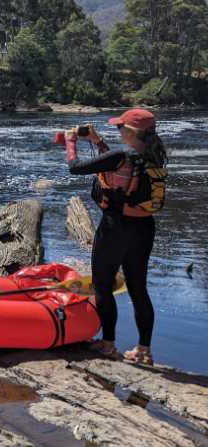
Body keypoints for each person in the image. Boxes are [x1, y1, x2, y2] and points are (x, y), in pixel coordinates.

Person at [64, 108, 168, 365]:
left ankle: (108, 344)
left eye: (121, 127)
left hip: (115, 226)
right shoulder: (154, 154)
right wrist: (98, 142)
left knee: (102, 285)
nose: (118, 130)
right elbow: (118, 167)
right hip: (143, 227)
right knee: (138, 288)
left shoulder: (122, 155)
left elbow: (75, 167)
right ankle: (144, 350)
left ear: (132, 132)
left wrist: (70, 141)